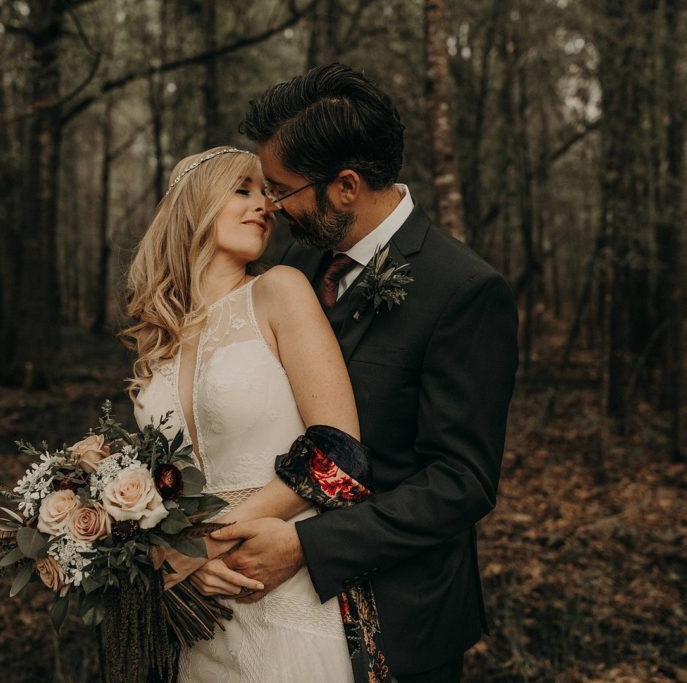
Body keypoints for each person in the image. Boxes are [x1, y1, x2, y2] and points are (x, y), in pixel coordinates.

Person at [205, 64, 520, 683]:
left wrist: (306, 545)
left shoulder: (465, 291)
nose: (271, 206)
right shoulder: (298, 260)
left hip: (402, 620)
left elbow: (461, 482)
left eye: (281, 188)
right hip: (271, 618)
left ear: (345, 186)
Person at [123, 146, 359, 681]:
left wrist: (205, 543)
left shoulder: (279, 290)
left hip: (282, 584)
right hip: (197, 611)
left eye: (268, 194)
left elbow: (338, 450)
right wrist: (171, 555)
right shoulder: (159, 336)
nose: (265, 205)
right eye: (243, 189)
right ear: (194, 205)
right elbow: (156, 488)